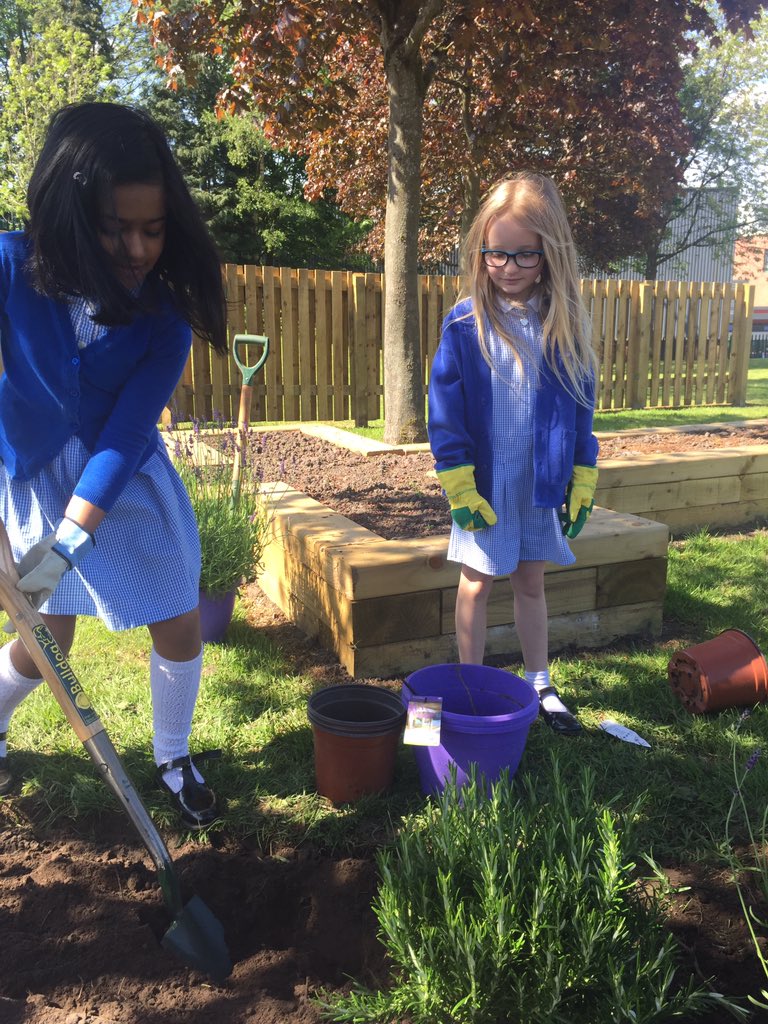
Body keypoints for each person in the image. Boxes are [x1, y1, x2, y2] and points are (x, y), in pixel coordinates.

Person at [0, 101, 228, 826]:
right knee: (45, 634)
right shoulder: (8, 269)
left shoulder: (163, 319)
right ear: (69, 211)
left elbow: (126, 436)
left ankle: (172, 756)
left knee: (178, 614)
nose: (136, 248)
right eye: (115, 227)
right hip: (33, 475)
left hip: (120, 486)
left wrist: (71, 539)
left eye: (153, 229)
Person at [428, 172, 599, 736]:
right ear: (481, 250)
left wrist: (582, 471)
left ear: (549, 255)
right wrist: (457, 481)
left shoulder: (564, 326)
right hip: (484, 488)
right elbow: (445, 411)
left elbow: (580, 408)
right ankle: (468, 683)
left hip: (539, 483)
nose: (507, 267)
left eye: (524, 256)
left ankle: (539, 683)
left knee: (531, 582)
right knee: (476, 581)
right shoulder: (463, 324)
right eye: (495, 253)